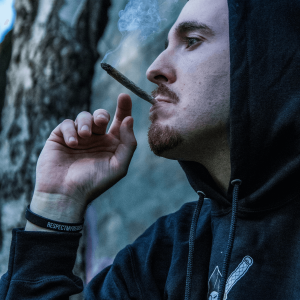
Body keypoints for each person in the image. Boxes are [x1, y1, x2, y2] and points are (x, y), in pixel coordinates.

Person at [1, 0, 300, 298]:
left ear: (269, 55)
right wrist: (56, 204)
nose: (154, 70)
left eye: (192, 42)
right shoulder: (166, 254)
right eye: (167, 44)